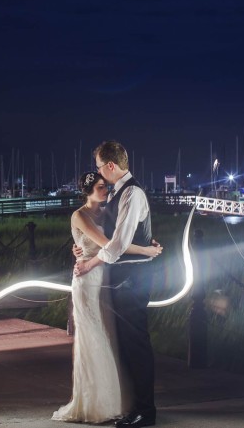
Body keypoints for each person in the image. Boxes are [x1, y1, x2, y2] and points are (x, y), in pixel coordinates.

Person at [53, 171, 162, 424]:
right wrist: (147, 250)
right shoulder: (80, 215)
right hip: (88, 280)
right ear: (89, 191)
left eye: (106, 186)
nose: (106, 191)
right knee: (95, 339)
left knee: (110, 338)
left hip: (107, 279)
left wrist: (147, 240)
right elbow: (110, 244)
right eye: (101, 187)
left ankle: (119, 400)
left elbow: (124, 236)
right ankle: (96, 403)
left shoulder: (106, 211)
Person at [74, 140, 157, 428]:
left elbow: (118, 244)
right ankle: (134, 406)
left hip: (133, 278)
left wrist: (90, 263)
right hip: (123, 278)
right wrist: (84, 249)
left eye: (99, 166)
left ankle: (146, 412)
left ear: (110, 166)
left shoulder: (131, 193)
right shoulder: (119, 193)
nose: (98, 172)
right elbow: (115, 236)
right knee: (124, 344)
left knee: (136, 345)